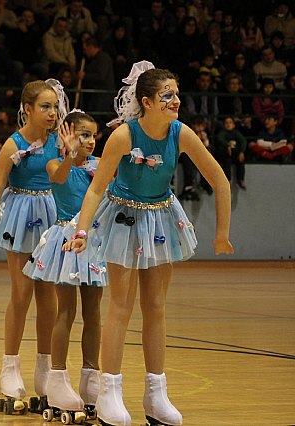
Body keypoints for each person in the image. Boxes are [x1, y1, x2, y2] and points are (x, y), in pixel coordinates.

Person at [64, 61, 234, 426]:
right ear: (146, 101)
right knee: (121, 307)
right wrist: (81, 231)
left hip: (160, 217)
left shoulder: (180, 133)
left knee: (155, 306)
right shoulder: (124, 136)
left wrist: (222, 233)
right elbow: (96, 188)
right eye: (166, 95)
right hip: (123, 217)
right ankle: (109, 390)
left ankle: (156, 394)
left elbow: (220, 180)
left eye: (176, 94)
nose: (174, 101)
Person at [0, 79, 66, 413]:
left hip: (52, 215)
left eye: (54, 106)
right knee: (22, 293)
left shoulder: (59, 142)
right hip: (21, 217)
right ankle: (10, 366)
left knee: (49, 297)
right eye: (44, 106)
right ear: (26, 109)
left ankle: (45, 370)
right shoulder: (13, 145)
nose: (52, 113)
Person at [22, 111, 106, 419]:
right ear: (66, 135)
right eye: (83, 134)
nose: (90, 141)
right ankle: (56, 378)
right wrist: (70, 154)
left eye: (93, 135)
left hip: (93, 241)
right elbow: (58, 178)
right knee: (66, 311)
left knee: (94, 313)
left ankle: (91, 380)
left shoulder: (99, 168)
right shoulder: (55, 164)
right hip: (64, 241)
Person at [215, 117, 247, 190]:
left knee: (241, 160)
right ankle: (227, 180)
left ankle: (240, 180)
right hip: (225, 153)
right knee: (227, 161)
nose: (228, 124)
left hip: (235, 153)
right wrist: (227, 145)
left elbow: (243, 141)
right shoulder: (222, 132)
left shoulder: (236, 132)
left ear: (234, 125)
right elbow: (219, 138)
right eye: (226, 123)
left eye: (230, 123)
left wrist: (241, 152)